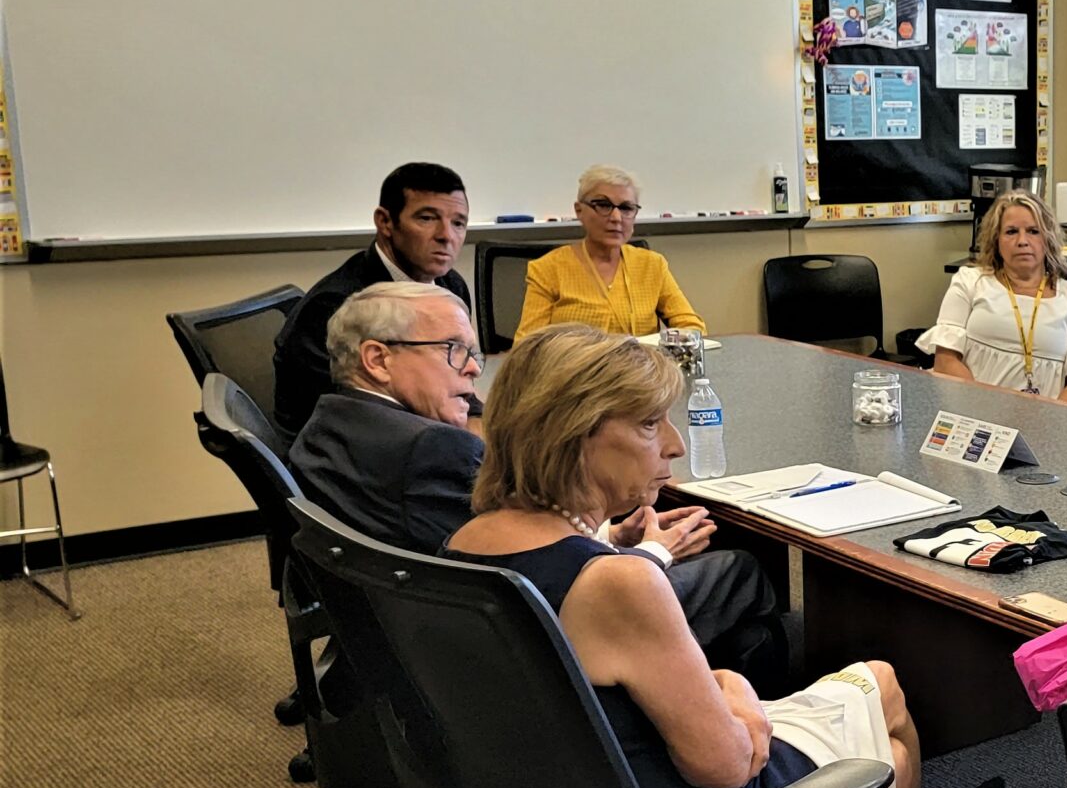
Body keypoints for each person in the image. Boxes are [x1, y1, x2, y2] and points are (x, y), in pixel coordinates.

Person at [444, 324, 1000, 788]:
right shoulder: (615, 586)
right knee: (879, 733)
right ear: (574, 433)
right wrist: (733, 690)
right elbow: (727, 767)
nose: (674, 445)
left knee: (875, 695)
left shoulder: (467, 545)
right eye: (650, 425)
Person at [290, 283, 792, 694]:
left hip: (403, 642)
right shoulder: (432, 449)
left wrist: (606, 536)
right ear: (377, 358)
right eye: (454, 351)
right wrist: (650, 556)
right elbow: (521, 575)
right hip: (522, 662)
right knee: (740, 569)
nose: (473, 367)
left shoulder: (327, 422)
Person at [272, 162, 477, 434]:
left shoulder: (450, 285)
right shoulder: (335, 307)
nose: (446, 236)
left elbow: (456, 382)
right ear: (385, 222)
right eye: (427, 218)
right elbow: (349, 420)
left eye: (458, 223)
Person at [918, 191, 1067, 402]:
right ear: (996, 240)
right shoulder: (969, 282)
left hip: (1044, 422)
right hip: (973, 411)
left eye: (1033, 231)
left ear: (1048, 239)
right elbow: (945, 361)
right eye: (1011, 232)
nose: (1022, 241)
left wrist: (1051, 419)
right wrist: (985, 409)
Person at [515, 164, 708, 339]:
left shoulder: (652, 265)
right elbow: (526, 346)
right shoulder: (547, 269)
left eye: (626, 208)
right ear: (579, 210)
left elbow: (691, 325)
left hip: (639, 373)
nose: (616, 217)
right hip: (575, 374)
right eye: (603, 205)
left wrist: (679, 341)